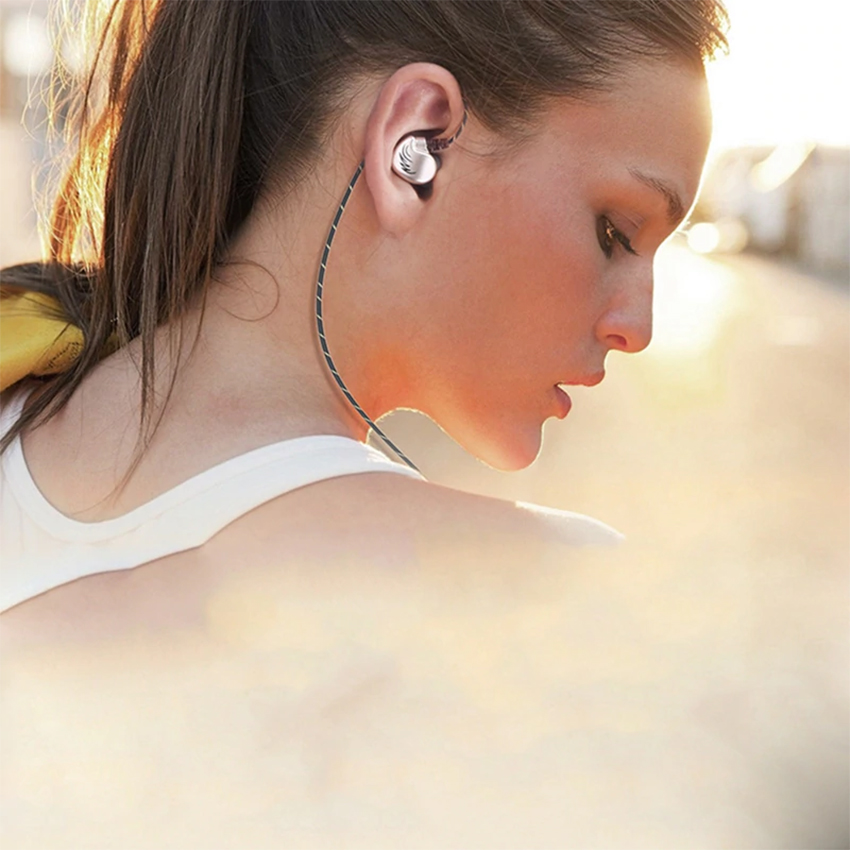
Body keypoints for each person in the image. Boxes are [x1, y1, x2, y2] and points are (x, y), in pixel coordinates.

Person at [0, 1, 730, 845]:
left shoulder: (19, 362)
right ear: (416, 146)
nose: (638, 326)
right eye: (614, 231)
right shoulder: (556, 609)